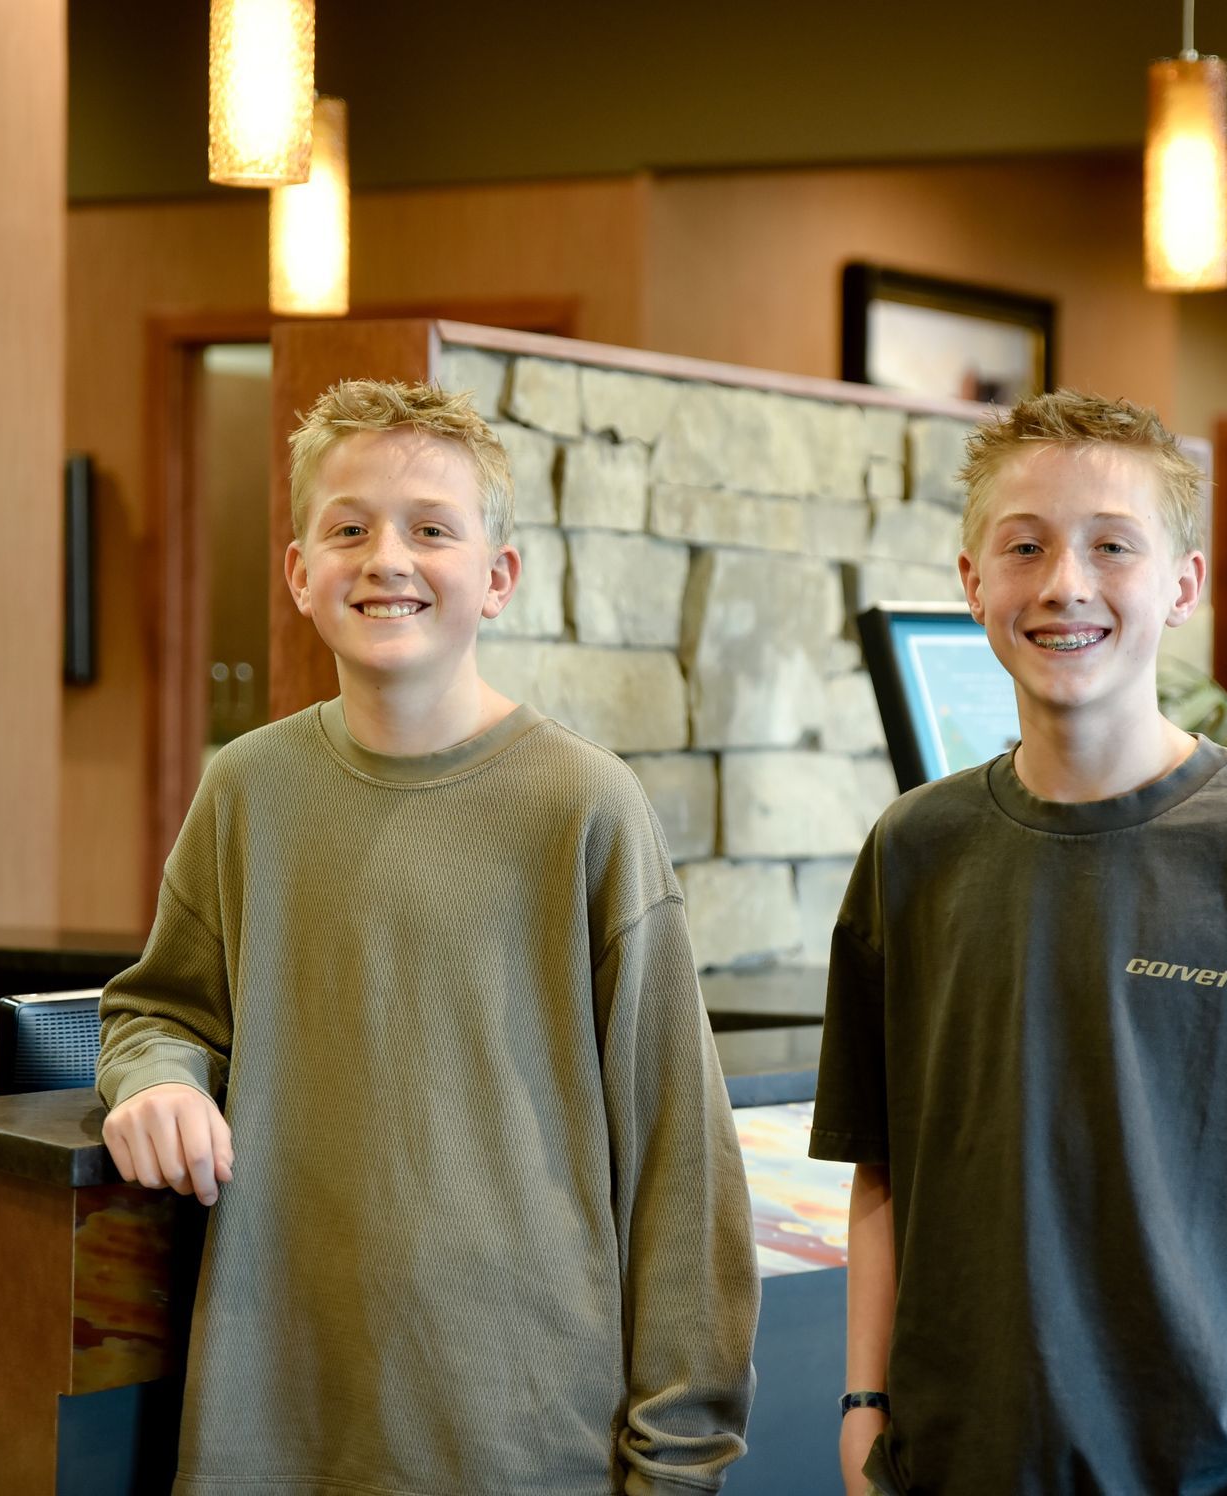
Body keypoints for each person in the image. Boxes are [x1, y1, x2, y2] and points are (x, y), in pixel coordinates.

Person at [97, 379, 759, 1496]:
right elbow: (158, 1006)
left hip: (523, 1436)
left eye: (431, 529)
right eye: (347, 527)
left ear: (496, 577)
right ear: (299, 571)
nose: (386, 558)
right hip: (272, 1422)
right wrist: (153, 1077)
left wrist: (680, 1457)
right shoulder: (245, 789)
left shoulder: (585, 807)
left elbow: (679, 1161)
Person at [812, 391, 1227, 1496]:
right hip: (952, 1466)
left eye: (1113, 545)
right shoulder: (913, 849)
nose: (1066, 582)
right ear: (973, 584)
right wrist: (864, 1413)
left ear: (1182, 585)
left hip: (1226, 1474)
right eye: (1025, 545)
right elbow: (882, 1166)